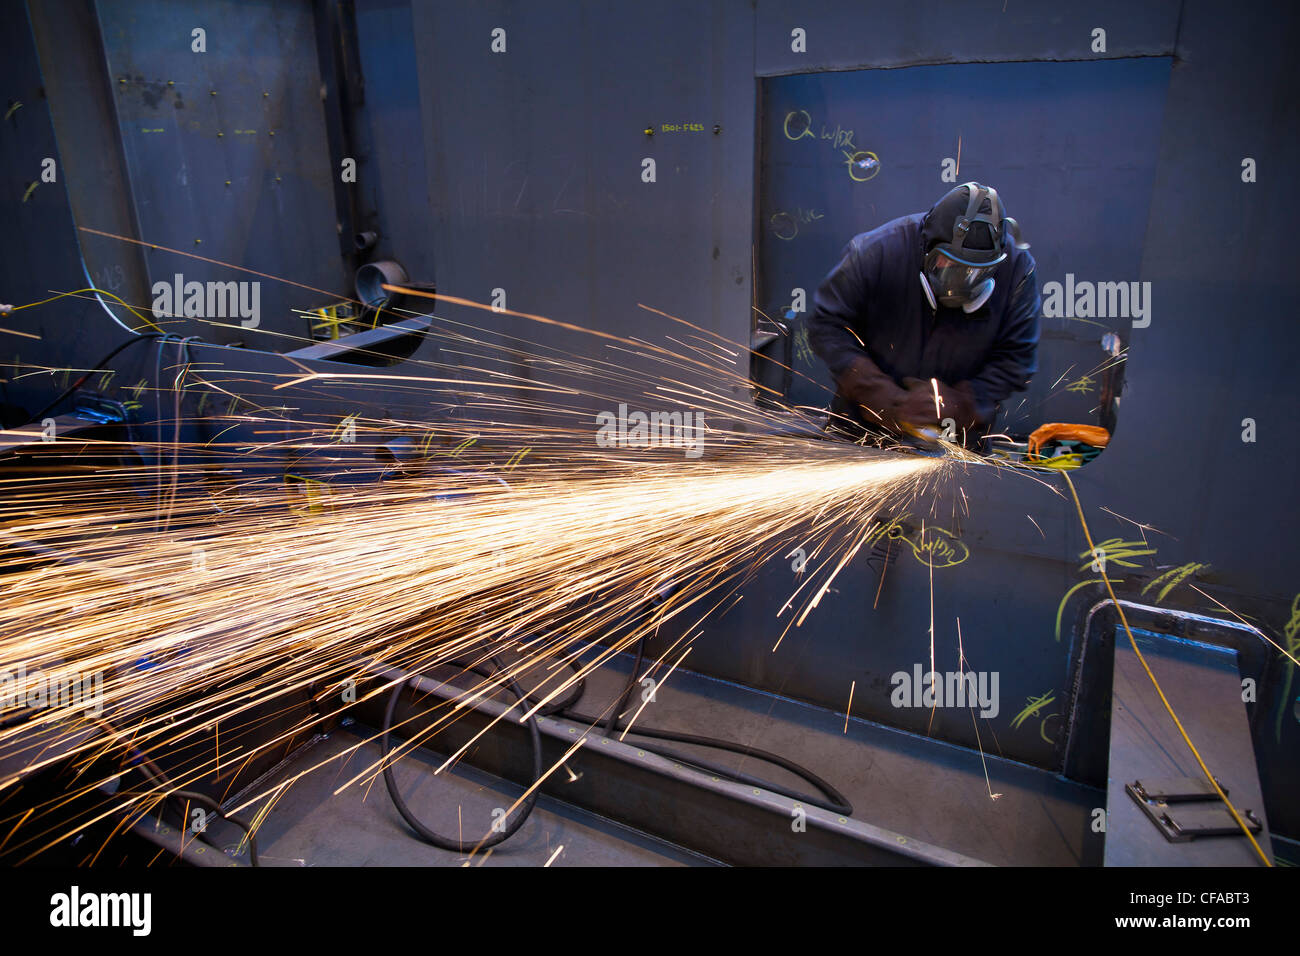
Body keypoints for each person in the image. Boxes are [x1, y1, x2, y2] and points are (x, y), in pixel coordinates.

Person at [807, 182, 1040, 448]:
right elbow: (827, 326)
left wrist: (964, 403)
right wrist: (885, 398)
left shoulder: (1017, 270)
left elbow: (1017, 359)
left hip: (957, 442)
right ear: (928, 249)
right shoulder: (877, 253)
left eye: (978, 273)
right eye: (952, 266)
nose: (964, 281)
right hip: (861, 432)